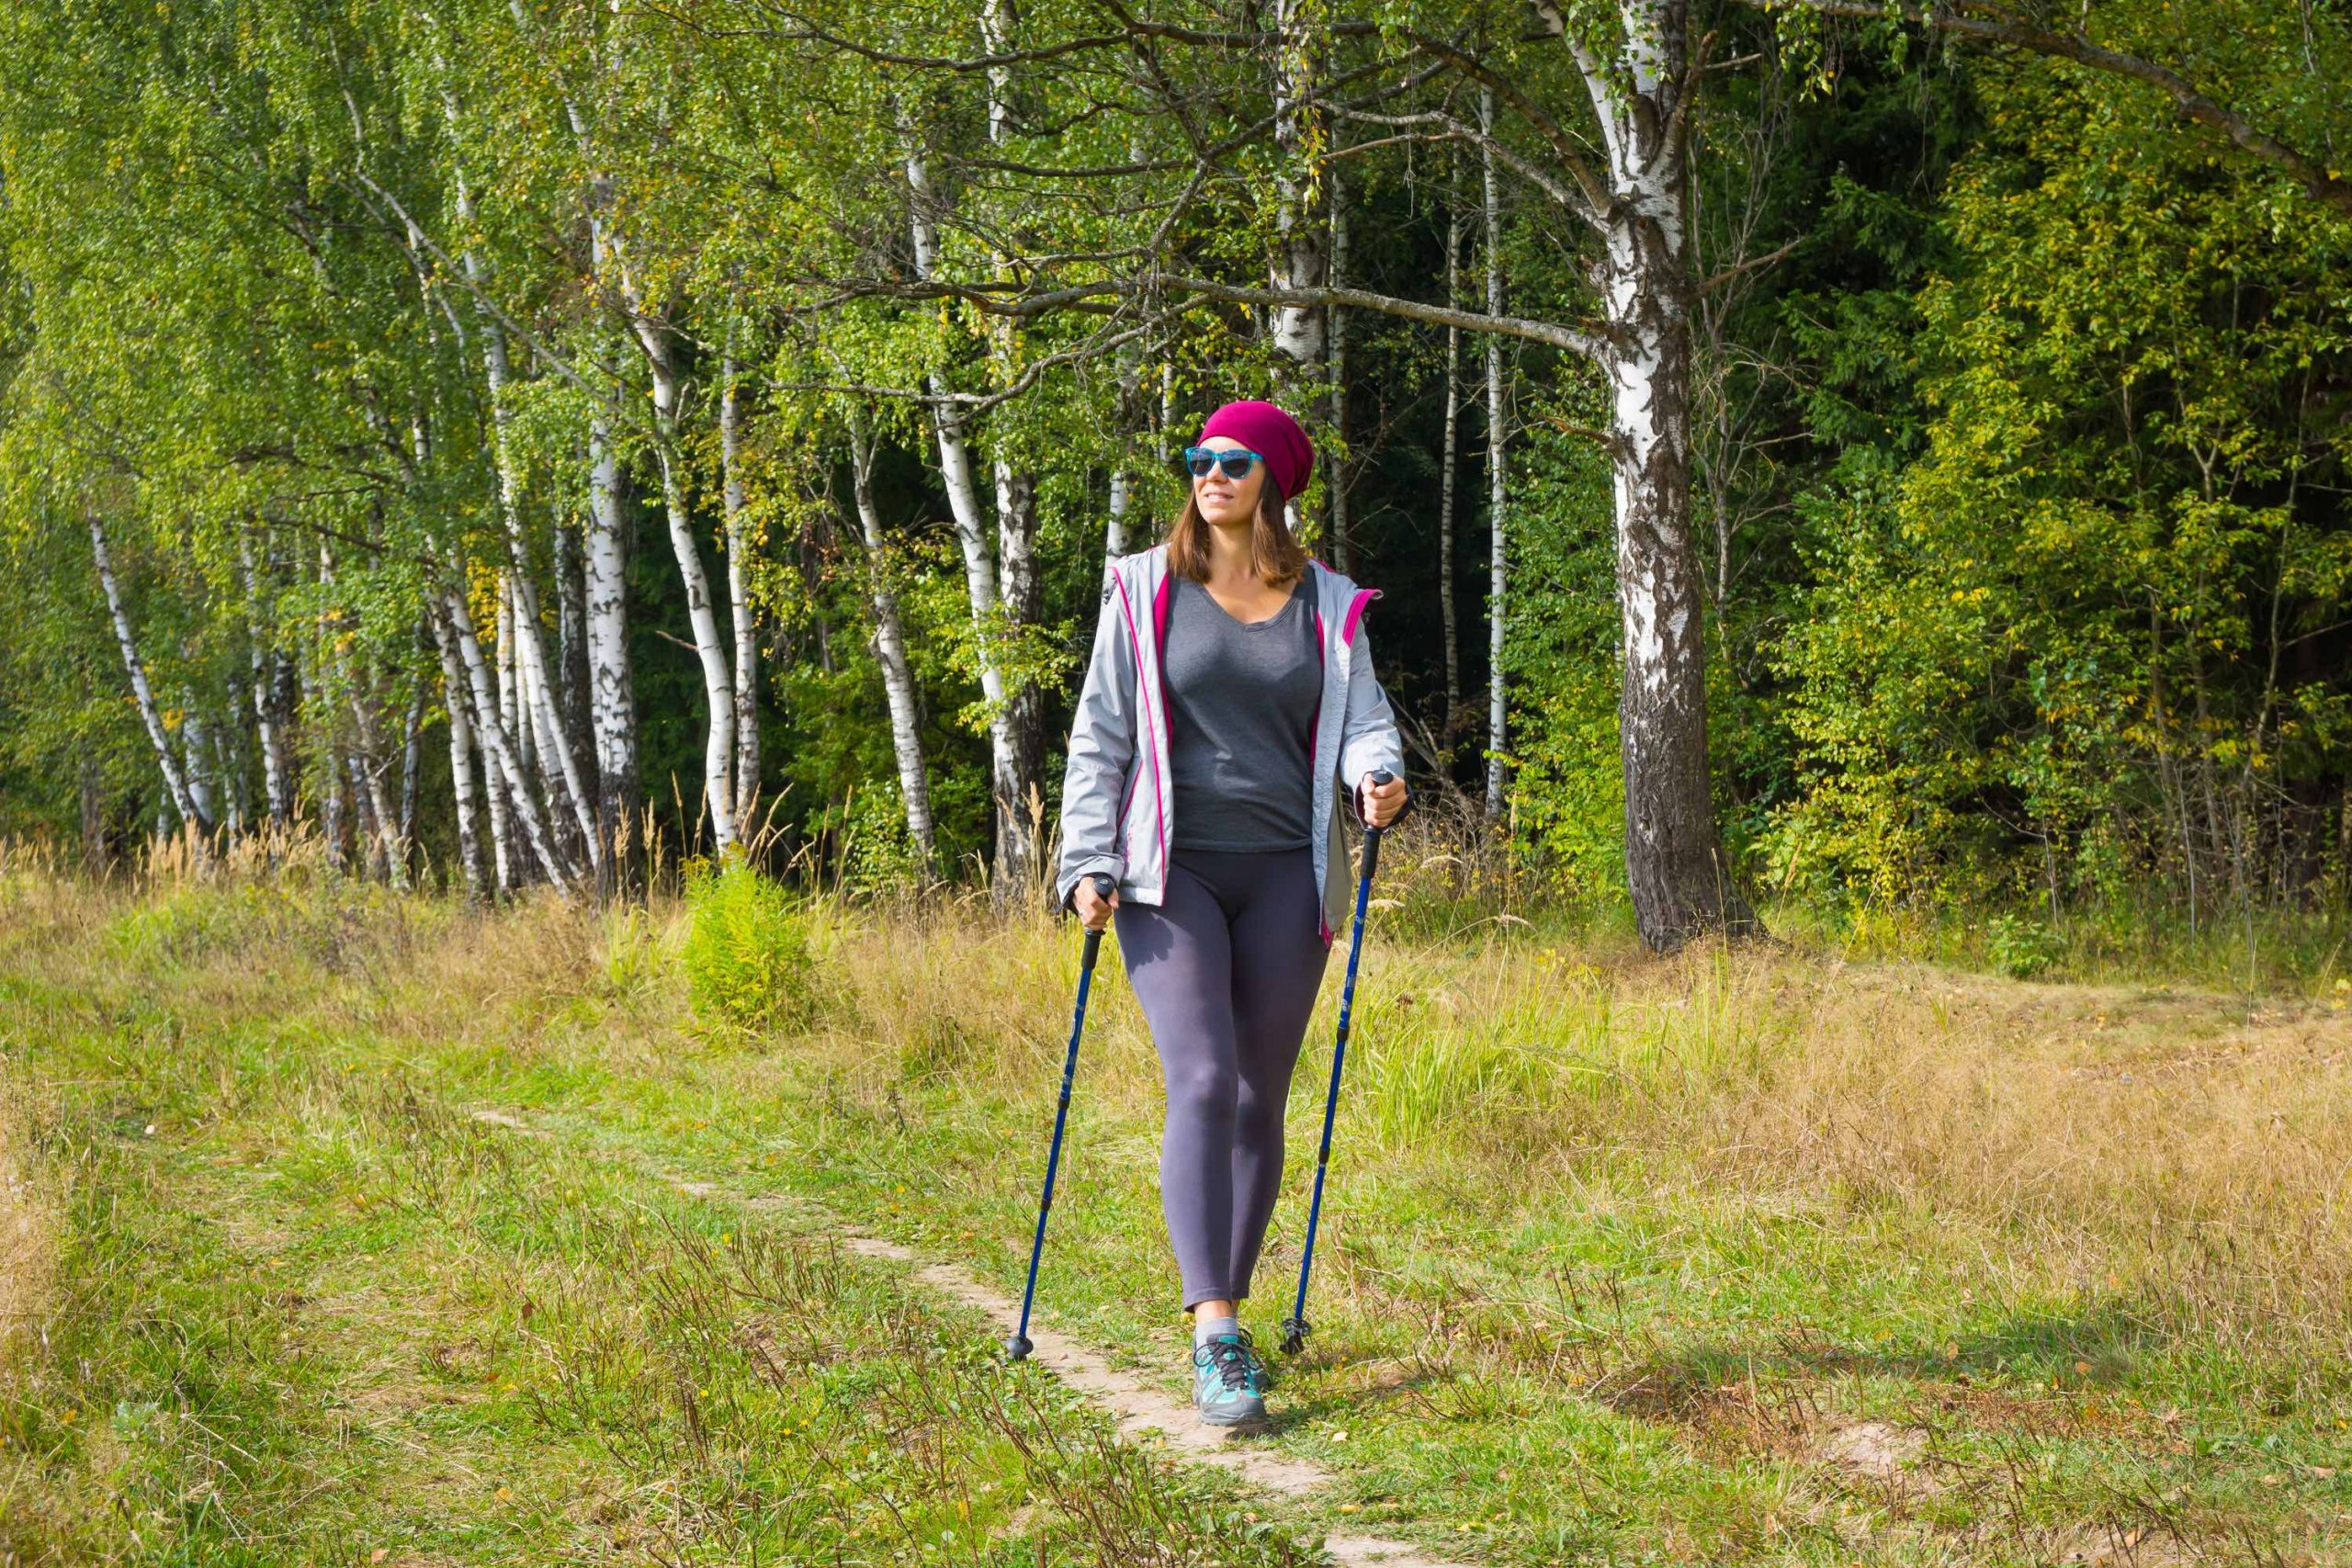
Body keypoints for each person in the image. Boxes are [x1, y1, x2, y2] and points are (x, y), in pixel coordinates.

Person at [1055, 398, 1409, 1429]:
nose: (1209, 473)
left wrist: (1377, 777)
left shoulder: (1326, 601)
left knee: (1261, 1097)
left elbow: (1363, 723)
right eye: (1199, 456)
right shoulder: (1142, 588)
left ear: (1275, 481)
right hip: (1169, 873)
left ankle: (1236, 1313)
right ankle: (1212, 1332)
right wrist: (1086, 862)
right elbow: (1099, 736)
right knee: (1203, 1077)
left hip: (1287, 875)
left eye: (1233, 459)